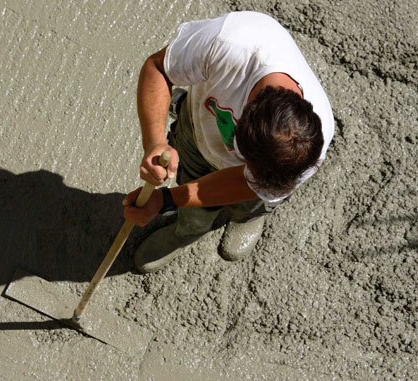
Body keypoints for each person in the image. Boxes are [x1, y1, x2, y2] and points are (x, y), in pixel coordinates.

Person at [122, 11, 334, 273]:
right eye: (251, 173)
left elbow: (246, 184)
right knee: (197, 204)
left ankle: (247, 216)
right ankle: (189, 230)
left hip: (256, 165)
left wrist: (165, 199)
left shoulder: (308, 145)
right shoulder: (228, 43)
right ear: (239, 125)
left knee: (253, 202)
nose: (250, 179)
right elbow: (157, 68)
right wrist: (154, 142)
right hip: (200, 131)